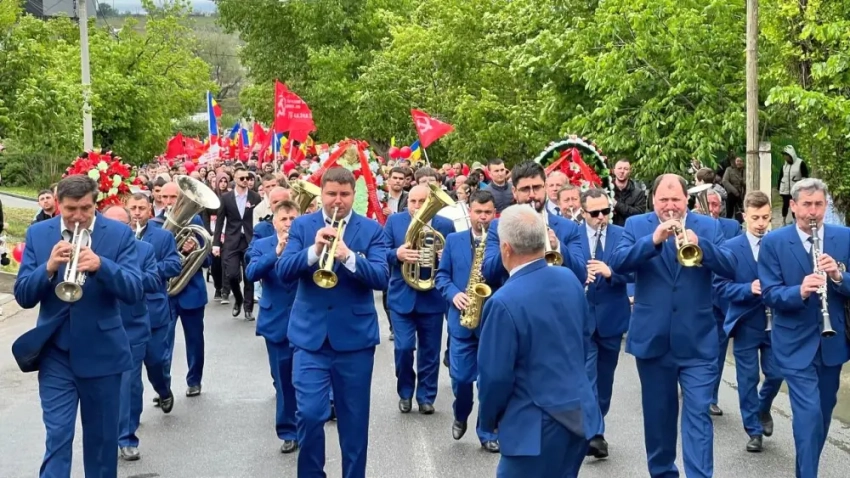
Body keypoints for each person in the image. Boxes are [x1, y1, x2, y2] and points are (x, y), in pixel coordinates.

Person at [12, 174, 143, 477]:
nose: (78, 217)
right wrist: (47, 268)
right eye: (71, 209)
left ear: (96, 203)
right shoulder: (38, 233)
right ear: (58, 204)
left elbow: (135, 290)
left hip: (103, 353)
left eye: (86, 208)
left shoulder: (119, 234)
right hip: (56, 353)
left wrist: (102, 266)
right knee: (57, 436)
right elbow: (23, 296)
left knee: (101, 443)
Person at [608, 174, 735, 478]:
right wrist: (652, 240)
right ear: (653, 200)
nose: (670, 206)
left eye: (675, 199)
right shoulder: (636, 225)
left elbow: (731, 265)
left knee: (699, 414)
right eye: (663, 200)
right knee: (659, 419)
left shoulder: (708, 226)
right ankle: (663, 472)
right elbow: (618, 262)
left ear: (686, 200)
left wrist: (701, 245)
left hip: (698, 340)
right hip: (653, 340)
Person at [276, 167, 389, 478]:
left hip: (355, 341)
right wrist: (314, 251)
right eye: (331, 194)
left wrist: (349, 257)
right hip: (309, 339)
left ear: (353, 195)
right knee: (310, 414)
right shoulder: (302, 226)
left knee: (354, 424)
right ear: (321, 194)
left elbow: (382, 277)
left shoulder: (371, 230)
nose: (337, 200)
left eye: (344, 194)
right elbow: (284, 271)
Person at [477, 204, 601, 478]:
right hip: (579, 414)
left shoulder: (502, 301)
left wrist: (488, 420)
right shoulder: (569, 278)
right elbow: (582, 341)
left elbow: (494, 376)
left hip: (532, 425)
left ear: (506, 248)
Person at [759, 178, 850, 477]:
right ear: (793, 205)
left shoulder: (845, 237)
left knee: (822, 416)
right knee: (808, 415)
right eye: (807, 204)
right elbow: (770, 293)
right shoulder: (774, 242)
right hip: (794, 343)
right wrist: (799, 291)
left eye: (819, 204)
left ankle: (805, 470)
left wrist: (838, 277)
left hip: (832, 343)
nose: (813, 211)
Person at [712, 191, 784, 452]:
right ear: (744, 217)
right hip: (746, 322)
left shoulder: (779, 244)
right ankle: (753, 430)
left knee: (777, 373)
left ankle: (763, 408)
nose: (761, 223)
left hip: (777, 322)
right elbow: (719, 285)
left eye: (765, 217)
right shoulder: (731, 248)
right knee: (747, 378)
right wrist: (747, 288)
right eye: (755, 218)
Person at [434, 190, 500, 451]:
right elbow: (442, 277)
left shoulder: (502, 241)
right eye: (478, 212)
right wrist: (454, 294)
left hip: (491, 322)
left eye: (487, 213)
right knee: (461, 379)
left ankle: (487, 432)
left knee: (490, 383)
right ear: (469, 212)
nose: (482, 217)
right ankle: (461, 414)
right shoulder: (454, 240)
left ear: (494, 214)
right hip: (462, 321)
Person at [383, 184, 455, 414]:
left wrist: (446, 257)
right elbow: (382, 252)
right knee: (404, 348)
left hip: (432, 297)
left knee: (430, 352)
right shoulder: (394, 222)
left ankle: (426, 396)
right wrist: (397, 254)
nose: (417, 206)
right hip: (402, 296)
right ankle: (405, 392)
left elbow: (455, 259)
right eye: (413, 201)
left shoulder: (445, 225)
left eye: (422, 201)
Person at [102, 205, 165, 461]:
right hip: (99, 326)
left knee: (129, 385)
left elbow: (154, 281)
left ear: (130, 227)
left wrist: (125, 274)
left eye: (122, 225)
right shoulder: (90, 248)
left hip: (132, 325)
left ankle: (127, 437)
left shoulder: (144, 249)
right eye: (111, 224)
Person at [579, 188, 632, 458]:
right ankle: (594, 434)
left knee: (605, 381)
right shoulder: (573, 235)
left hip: (612, 317)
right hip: (582, 318)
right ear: (583, 212)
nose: (601, 217)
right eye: (595, 213)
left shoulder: (622, 235)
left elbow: (632, 272)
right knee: (588, 377)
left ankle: (596, 422)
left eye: (606, 211)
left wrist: (611, 273)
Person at [245, 200, 301, 454]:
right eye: (284, 219)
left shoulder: (308, 242)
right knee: (282, 380)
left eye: (292, 219)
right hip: (275, 320)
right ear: (275, 222)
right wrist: (277, 252)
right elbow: (252, 273)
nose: (288, 224)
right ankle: (288, 431)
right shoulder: (261, 245)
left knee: (307, 377)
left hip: (304, 318)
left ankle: (308, 424)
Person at [482, 161, 587, 288]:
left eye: (536, 187)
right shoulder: (497, 226)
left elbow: (581, 275)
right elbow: (488, 273)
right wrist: (513, 241)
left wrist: (558, 246)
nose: (532, 195)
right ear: (514, 191)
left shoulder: (568, 227)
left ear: (545, 188)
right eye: (525, 189)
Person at [154, 181, 212, 398]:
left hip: (191, 291)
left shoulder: (195, 221)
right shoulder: (153, 223)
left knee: (195, 340)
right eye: (165, 197)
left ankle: (194, 380)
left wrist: (193, 248)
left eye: (174, 197)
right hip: (164, 294)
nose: (170, 202)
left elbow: (207, 261)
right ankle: (163, 388)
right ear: (159, 198)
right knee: (162, 344)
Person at [127, 193, 181, 411]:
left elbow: (174, 265)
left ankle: (163, 389)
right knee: (130, 372)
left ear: (150, 210)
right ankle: (130, 421)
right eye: (133, 208)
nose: (137, 212)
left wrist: (147, 269)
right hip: (127, 312)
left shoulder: (163, 236)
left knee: (157, 360)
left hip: (154, 309)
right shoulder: (117, 238)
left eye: (141, 208)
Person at [213, 168, 263, 319]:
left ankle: (248, 309)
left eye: (247, 178)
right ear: (234, 179)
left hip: (249, 240)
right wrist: (216, 243)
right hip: (231, 240)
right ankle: (238, 298)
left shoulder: (255, 197)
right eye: (242, 178)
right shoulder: (226, 198)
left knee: (249, 275)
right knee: (232, 274)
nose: (245, 181)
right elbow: (220, 221)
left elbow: (260, 219)